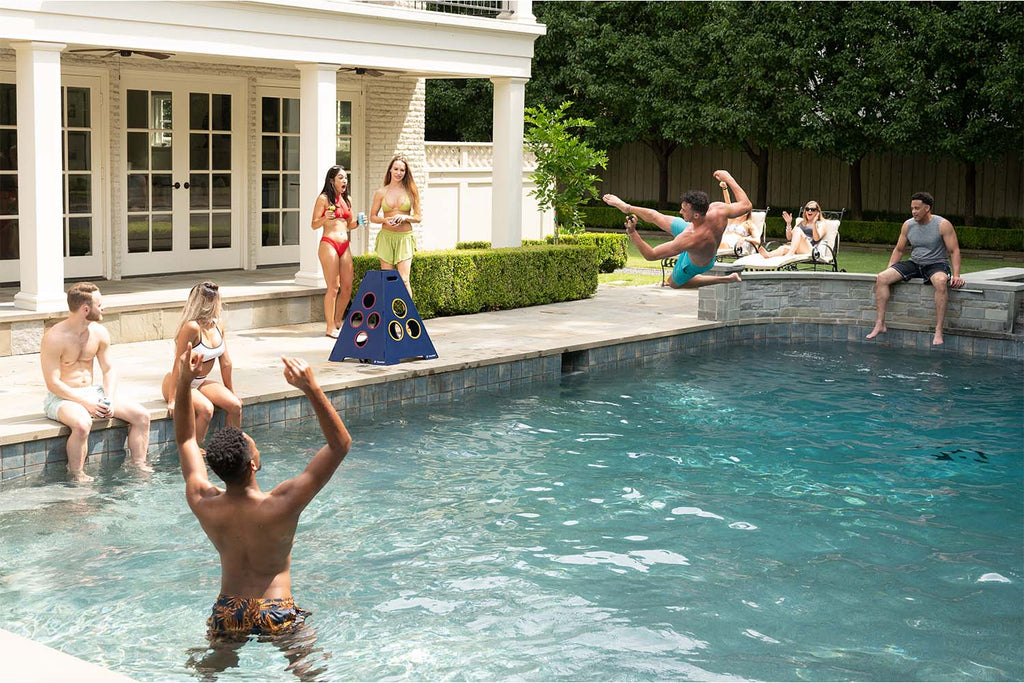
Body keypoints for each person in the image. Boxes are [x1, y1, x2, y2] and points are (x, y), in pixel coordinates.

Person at [173, 350, 351, 648]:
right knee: (307, 669)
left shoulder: (203, 501)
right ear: (252, 464)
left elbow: (186, 439)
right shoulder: (281, 503)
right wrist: (311, 387)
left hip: (229, 611)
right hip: (276, 610)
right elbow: (340, 446)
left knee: (211, 669)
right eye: (252, 444)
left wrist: (183, 382)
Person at [40, 282, 152, 481]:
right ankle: (77, 474)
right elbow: (53, 383)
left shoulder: (99, 333)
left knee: (142, 416)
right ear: (85, 309)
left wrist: (108, 398)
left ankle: (138, 465)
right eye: (99, 304)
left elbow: (109, 369)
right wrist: (86, 404)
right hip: (62, 397)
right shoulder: (54, 337)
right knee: (82, 424)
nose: (103, 308)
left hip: (94, 392)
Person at [603, 170, 748, 289]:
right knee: (656, 216)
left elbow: (651, 255)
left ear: (696, 215)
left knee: (673, 283)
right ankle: (626, 207)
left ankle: (725, 280)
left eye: (684, 210)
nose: (680, 211)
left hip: (696, 263)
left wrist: (632, 232)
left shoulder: (688, 238)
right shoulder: (718, 209)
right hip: (694, 235)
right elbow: (746, 205)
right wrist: (729, 178)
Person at [867, 191, 965, 345]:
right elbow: (899, 250)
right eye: (912, 208)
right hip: (915, 262)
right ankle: (880, 323)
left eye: (917, 208)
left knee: (940, 281)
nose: (913, 211)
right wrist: (889, 269)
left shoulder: (942, 225)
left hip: (936, 263)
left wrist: (957, 275)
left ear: (927, 208)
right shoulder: (908, 225)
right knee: (882, 278)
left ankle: (939, 330)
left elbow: (954, 251)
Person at [161, 281, 242, 445]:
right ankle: (195, 450)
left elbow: (225, 363)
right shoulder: (192, 327)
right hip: (180, 382)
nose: (217, 304)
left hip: (200, 381)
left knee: (235, 406)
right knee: (206, 409)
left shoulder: (218, 325)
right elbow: (179, 362)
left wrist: (231, 391)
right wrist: (172, 398)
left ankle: (229, 446)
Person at [311, 165, 359, 338]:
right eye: (340, 178)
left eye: (345, 177)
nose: (344, 180)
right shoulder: (323, 199)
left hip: (344, 244)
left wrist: (359, 222)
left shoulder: (348, 200)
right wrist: (325, 217)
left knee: (347, 287)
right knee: (333, 287)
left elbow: (349, 224)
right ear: (332, 181)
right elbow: (314, 224)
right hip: (328, 243)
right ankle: (330, 326)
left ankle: (338, 322)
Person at [370, 155, 422, 295]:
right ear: (390, 171)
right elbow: (372, 217)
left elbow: (418, 217)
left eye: (402, 170)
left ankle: (407, 315)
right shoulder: (381, 192)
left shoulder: (411, 191)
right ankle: (388, 316)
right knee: (388, 280)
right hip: (386, 238)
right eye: (396, 169)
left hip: (404, 238)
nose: (399, 173)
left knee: (404, 279)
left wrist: (405, 217)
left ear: (406, 173)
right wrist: (384, 220)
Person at [757, 201, 826, 259]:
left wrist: (814, 223)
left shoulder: (822, 224)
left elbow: (816, 238)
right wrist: (788, 224)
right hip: (797, 249)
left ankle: (790, 254)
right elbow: (789, 237)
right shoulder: (801, 223)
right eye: (807, 209)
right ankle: (768, 255)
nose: (809, 211)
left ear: (818, 212)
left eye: (813, 209)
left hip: (810, 250)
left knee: (797, 230)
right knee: (783, 248)